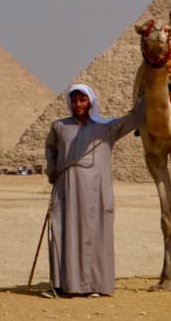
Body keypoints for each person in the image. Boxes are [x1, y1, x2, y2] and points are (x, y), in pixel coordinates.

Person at [44, 83, 144, 297]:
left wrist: (154, 91)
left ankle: (95, 285)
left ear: (90, 102)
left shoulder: (107, 127)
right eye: (74, 100)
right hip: (67, 189)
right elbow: (50, 148)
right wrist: (51, 170)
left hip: (96, 191)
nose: (78, 104)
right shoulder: (59, 126)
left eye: (82, 100)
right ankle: (63, 285)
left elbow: (134, 118)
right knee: (64, 232)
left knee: (95, 232)